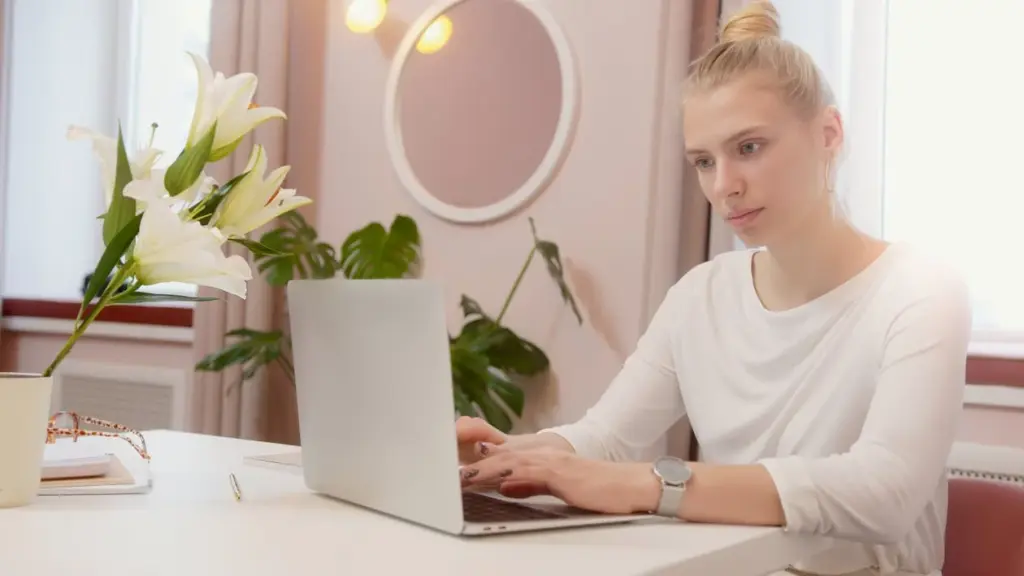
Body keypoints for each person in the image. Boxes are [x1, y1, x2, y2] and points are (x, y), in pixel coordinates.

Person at [456, 1, 971, 575]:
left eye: (749, 147)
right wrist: (494, 458)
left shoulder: (921, 291)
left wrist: (652, 486)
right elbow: (605, 439)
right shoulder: (700, 296)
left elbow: (885, 492)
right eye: (703, 161)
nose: (724, 186)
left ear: (829, 133)